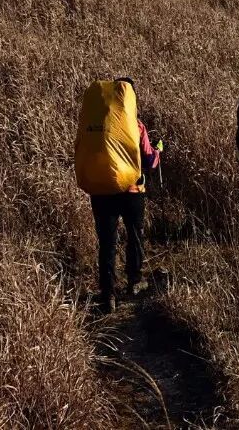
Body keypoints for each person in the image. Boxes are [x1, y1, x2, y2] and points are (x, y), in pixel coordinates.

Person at [81, 77, 162, 313]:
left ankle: (108, 295)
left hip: (100, 190)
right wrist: (158, 151)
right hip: (131, 190)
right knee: (135, 235)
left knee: (107, 241)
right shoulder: (135, 126)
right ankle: (134, 281)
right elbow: (149, 160)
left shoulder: (95, 124)